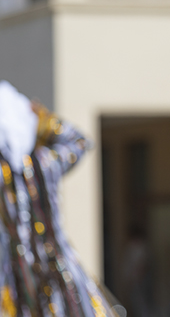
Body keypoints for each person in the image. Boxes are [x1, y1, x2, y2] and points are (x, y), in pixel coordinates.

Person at [0, 81, 117, 315]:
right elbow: (79, 141)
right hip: (62, 278)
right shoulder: (45, 163)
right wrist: (41, 117)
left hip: (16, 283)